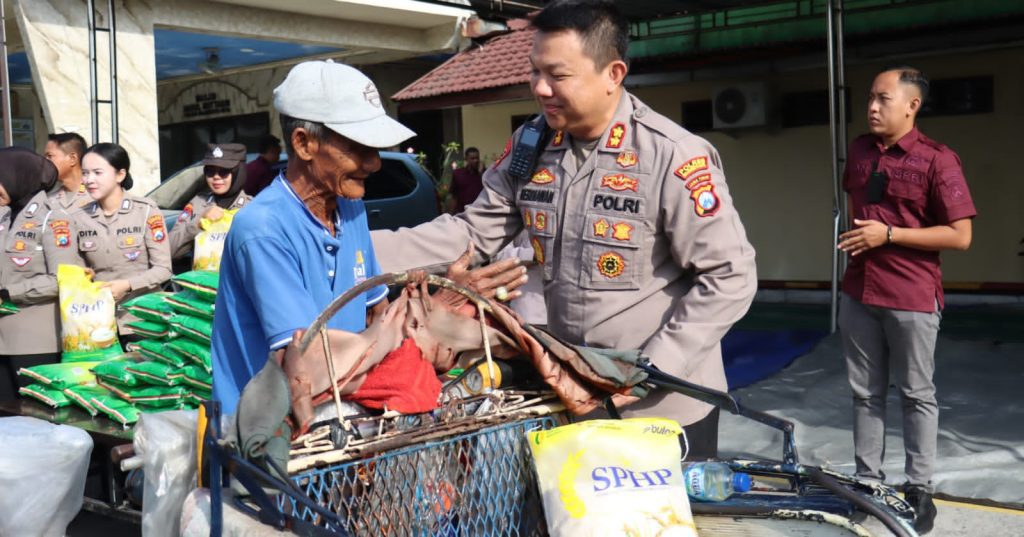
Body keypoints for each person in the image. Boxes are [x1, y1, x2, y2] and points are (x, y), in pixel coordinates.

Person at [371, 0, 757, 459]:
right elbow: (470, 233)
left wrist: (653, 368)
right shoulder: (531, 148)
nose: (539, 87)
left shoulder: (672, 156)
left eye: (558, 75)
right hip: (572, 393)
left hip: (659, 407)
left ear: (613, 73)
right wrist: (349, 251)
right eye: (535, 72)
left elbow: (730, 277)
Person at [837, 66, 975, 535]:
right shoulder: (858, 150)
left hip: (911, 295)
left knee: (916, 394)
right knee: (865, 395)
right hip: (859, 292)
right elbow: (856, 207)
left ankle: (919, 489)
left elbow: (961, 236)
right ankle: (867, 483)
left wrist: (889, 233)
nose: (872, 107)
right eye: (870, 99)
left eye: (883, 99)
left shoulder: (939, 160)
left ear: (912, 105)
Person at [61, 143, 172, 332]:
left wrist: (127, 285)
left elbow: (163, 269)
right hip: (97, 321)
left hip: (142, 318)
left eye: (97, 172)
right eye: (85, 173)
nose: (89, 180)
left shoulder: (145, 211)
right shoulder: (78, 216)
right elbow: (77, 272)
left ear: (120, 174)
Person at [0, 148, 64, 401]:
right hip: (2, 341)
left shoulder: (54, 219)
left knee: (36, 421)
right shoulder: (5, 217)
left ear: (17, 176)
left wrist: (8, 293)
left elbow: (62, 278)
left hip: (35, 343)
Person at [169, 143, 252, 261]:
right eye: (210, 171)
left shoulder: (251, 208)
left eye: (223, 171)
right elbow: (168, 251)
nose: (216, 177)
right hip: (202, 278)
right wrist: (198, 222)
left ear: (238, 172)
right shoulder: (197, 203)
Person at [44, 132, 92, 217]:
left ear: (72, 158)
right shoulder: (49, 199)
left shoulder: (96, 195)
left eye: (50, 156)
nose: (45, 162)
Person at [449, 147, 484, 214]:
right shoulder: (458, 174)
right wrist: (451, 214)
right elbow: (454, 196)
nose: (476, 160)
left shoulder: (484, 174)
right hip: (463, 213)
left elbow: (488, 191)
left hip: (480, 212)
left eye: (477, 158)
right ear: (466, 159)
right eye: (472, 158)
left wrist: (481, 174)